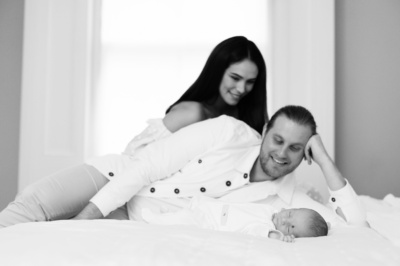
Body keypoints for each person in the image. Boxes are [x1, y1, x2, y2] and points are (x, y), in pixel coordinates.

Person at [0, 36, 268, 228]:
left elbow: (281, 138)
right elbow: (137, 156)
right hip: (115, 175)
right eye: (235, 78)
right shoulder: (193, 113)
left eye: (250, 82)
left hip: (143, 203)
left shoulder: (243, 129)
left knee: (61, 235)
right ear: (218, 72)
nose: (242, 88)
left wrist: (312, 137)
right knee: (32, 204)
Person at [73, 105, 366, 228]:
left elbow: (356, 228)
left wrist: (326, 160)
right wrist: (87, 216)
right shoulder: (228, 133)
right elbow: (147, 166)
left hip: (134, 220)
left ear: (306, 155)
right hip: (111, 179)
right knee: (27, 211)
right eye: (277, 140)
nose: (282, 153)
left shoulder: (289, 204)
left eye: (295, 148)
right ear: (264, 132)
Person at [141, 195, 328, 243]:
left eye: (290, 228)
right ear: (288, 208)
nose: (285, 222)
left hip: (211, 223)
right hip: (213, 208)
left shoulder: (266, 226)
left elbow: (260, 233)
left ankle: (157, 221)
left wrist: (279, 237)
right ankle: (164, 213)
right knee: (189, 207)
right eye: (289, 215)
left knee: (184, 219)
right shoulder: (270, 209)